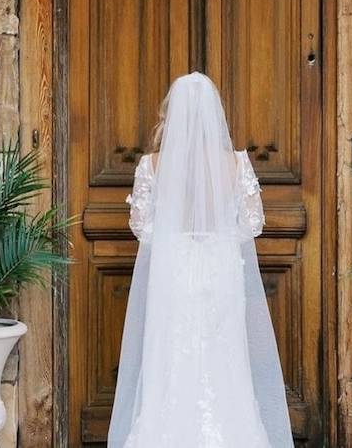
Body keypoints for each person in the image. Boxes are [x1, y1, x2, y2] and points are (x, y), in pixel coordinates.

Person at [108, 72, 294, 448]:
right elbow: (253, 223)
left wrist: (179, 237)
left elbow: (141, 226)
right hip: (220, 269)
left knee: (171, 357)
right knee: (224, 356)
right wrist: (218, 237)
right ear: (215, 115)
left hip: (172, 270)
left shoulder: (152, 165)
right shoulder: (237, 164)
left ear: (172, 114)